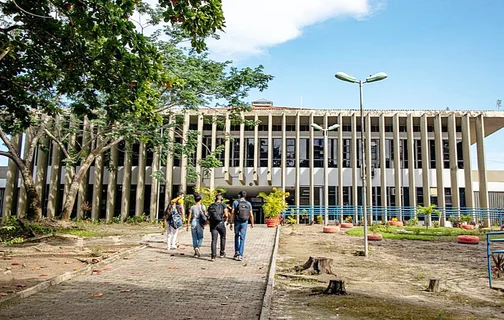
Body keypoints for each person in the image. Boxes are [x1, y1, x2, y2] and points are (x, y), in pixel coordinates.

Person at [230, 191, 254, 261]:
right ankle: (240, 254)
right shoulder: (248, 204)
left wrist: (231, 222)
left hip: (237, 221)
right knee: (242, 238)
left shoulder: (235, 202)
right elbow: (251, 214)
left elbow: (232, 212)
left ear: (239, 195)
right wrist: (252, 223)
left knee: (236, 236)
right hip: (244, 222)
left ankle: (236, 252)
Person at [207, 194, 228, 261]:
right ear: (221, 199)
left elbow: (208, 215)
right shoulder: (223, 205)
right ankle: (222, 253)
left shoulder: (211, 206)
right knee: (223, 237)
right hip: (221, 223)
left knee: (214, 240)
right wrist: (225, 220)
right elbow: (226, 214)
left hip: (213, 224)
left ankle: (213, 256)